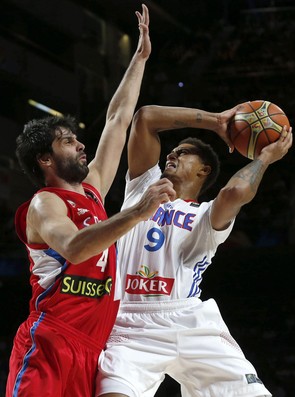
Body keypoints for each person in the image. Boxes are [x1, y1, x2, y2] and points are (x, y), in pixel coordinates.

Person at [5, 6, 176, 397]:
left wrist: (140, 58)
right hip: (50, 341)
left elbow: (117, 119)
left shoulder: (93, 191)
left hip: (93, 349)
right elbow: (76, 247)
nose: (81, 144)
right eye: (68, 141)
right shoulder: (45, 204)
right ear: (45, 159)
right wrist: (137, 211)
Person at [96, 104, 293, 397]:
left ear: (204, 170)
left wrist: (265, 157)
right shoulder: (143, 188)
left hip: (189, 319)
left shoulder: (206, 216)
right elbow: (146, 118)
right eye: (173, 150)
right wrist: (216, 121)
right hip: (129, 320)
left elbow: (234, 193)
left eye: (184, 151)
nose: (171, 154)